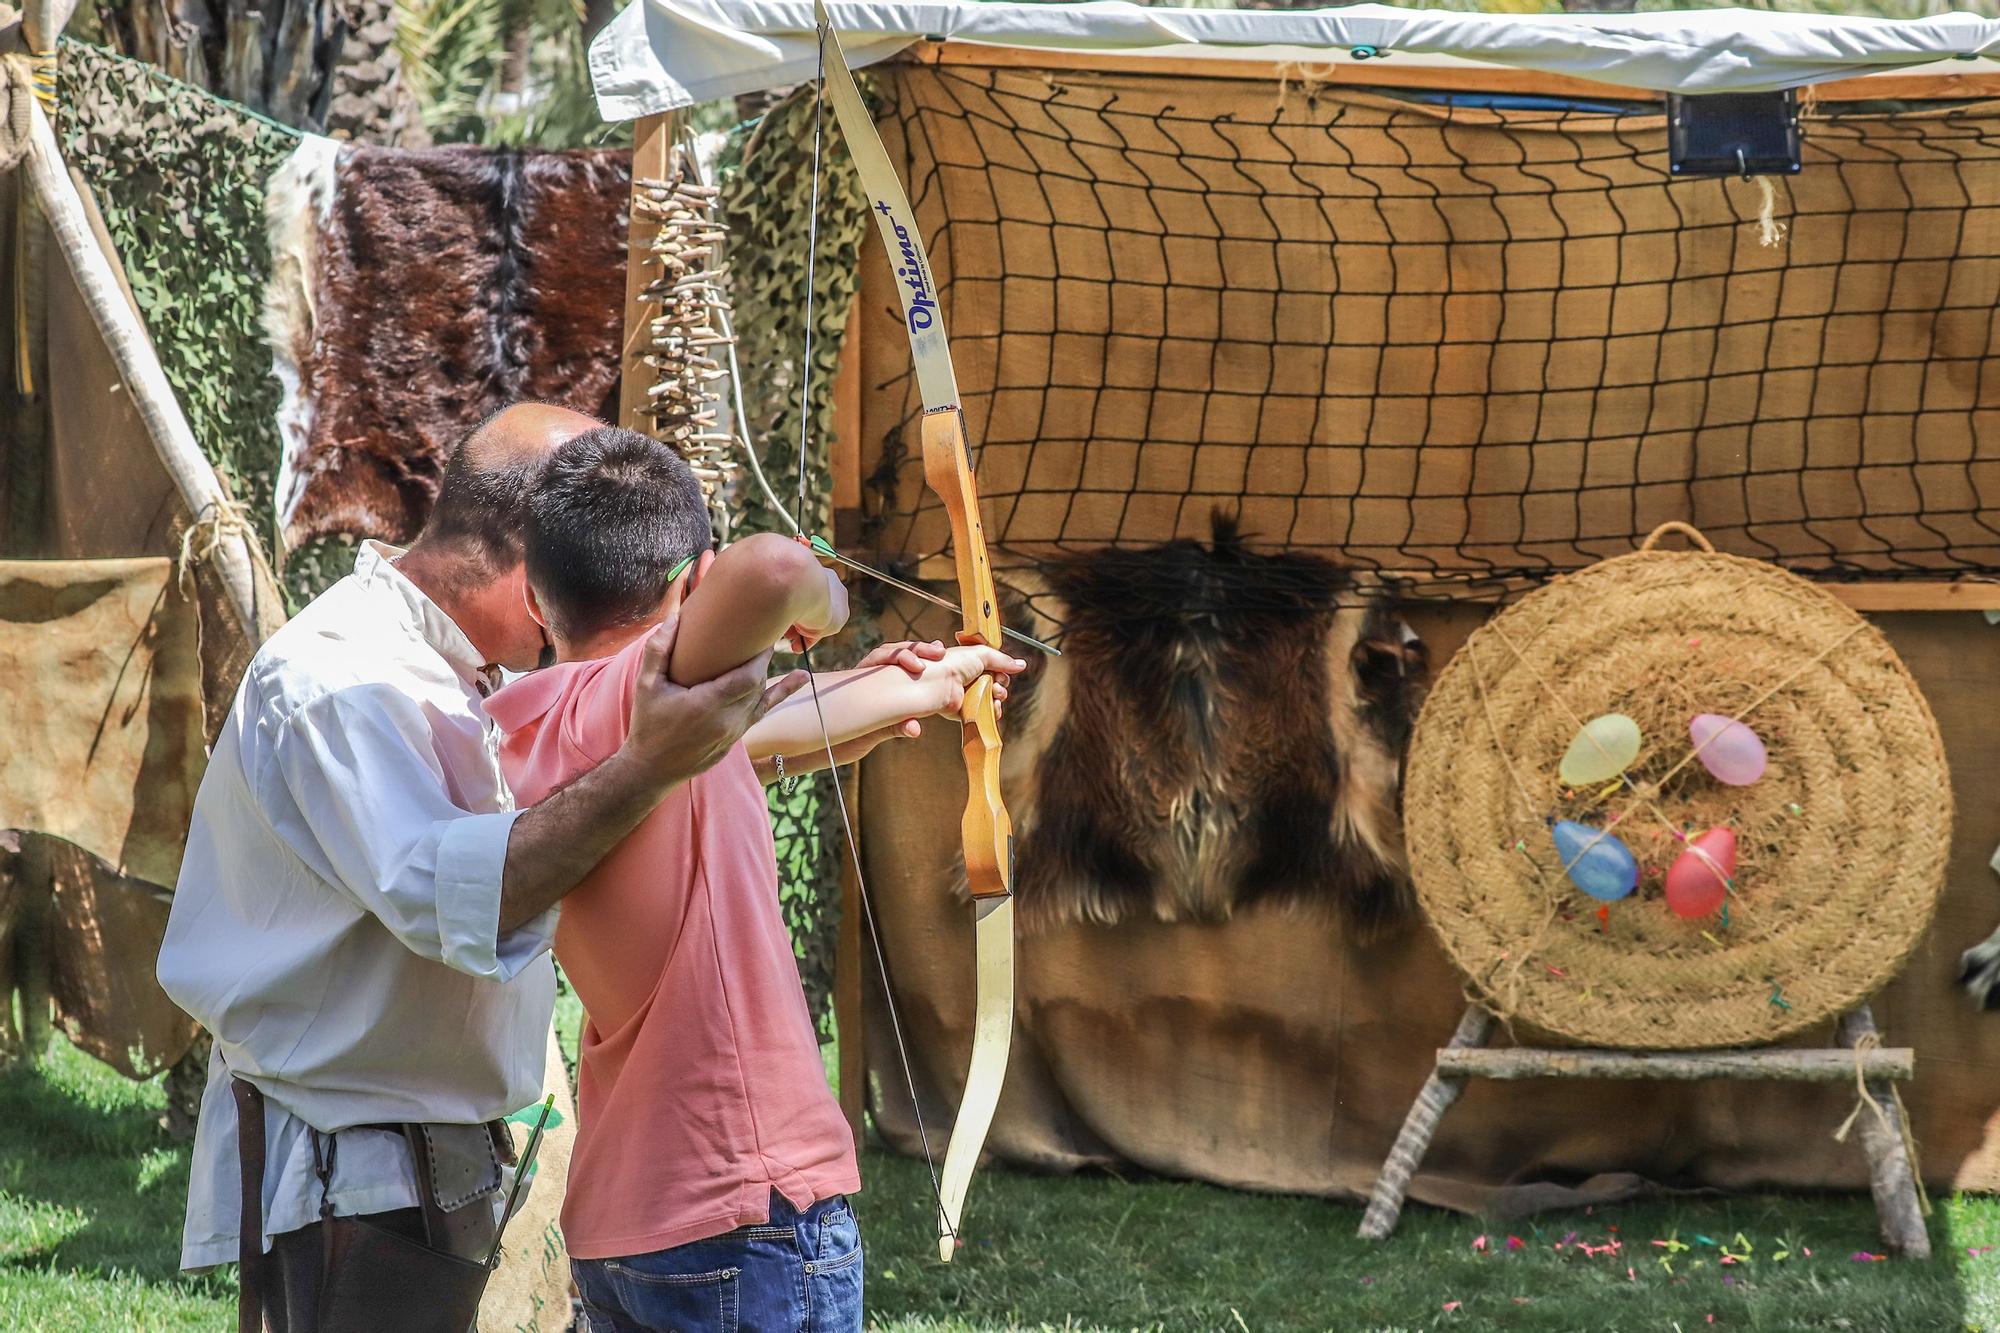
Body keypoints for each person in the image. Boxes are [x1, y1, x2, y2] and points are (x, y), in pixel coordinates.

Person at [157, 403, 939, 1332]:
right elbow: (468, 895)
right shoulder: (335, 679)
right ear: (536, 571)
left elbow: (695, 748)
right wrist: (812, 623)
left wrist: (902, 689)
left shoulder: (509, 696)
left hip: (472, 1172)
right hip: (352, 1173)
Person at [484, 426, 1026, 1333]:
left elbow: (763, 732)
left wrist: (934, 683)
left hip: (627, 1226)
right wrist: (832, 599)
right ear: (691, 587)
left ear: (538, 600)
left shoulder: (529, 726)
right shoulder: (637, 691)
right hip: (743, 1212)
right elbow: (773, 572)